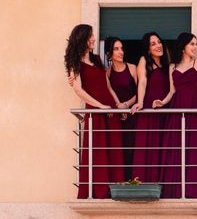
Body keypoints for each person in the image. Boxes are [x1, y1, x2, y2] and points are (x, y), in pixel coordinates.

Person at [65, 24, 124, 199]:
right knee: (98, 151)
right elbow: (78, 90)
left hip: (109, 110)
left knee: (114, 150)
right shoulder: (74, 63)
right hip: (97, 111)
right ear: (82, 38)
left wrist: (117, 104)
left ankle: (116, 190)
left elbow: (108, 86)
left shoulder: (97, 59)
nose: (93, 40)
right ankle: (98, 191)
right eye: (90, 36)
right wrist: (99, 106)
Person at [157, 32, 197, 198]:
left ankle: (191, 192)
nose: (195, 47)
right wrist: (163, 102)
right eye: (192, 44)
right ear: (183, 46)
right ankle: (174, 192)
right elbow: (172, 91)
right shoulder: (172, 67)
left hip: (192, 109)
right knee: (175, 149)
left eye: (196, 44)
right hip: (176, 109)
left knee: (192, 148)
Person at [130, 32, 170, 183]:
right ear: (148, 49)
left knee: (162, 146)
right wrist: (140, 102)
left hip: (164, 110)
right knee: (147, 146)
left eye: (159, 42)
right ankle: (142, 183)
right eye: (153, 44)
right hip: (149, 109)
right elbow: (142, 82)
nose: (158, 45)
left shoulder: (167, 64)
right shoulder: (144, 61)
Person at [104, 37, 138, 179]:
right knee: (119, 151)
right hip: (117, 119)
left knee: (133, 149)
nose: (121, 52)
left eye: (122, 48)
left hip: (133, 115)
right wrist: (119, 108)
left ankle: (134, 181)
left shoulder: (132, 68)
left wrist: (126, 105)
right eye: (116, 49)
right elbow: (109, 92)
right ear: (109, 53)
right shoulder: (107, 72)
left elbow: (140, 94)